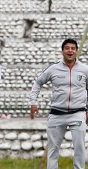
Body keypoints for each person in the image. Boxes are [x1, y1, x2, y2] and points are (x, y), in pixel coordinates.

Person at [30, 38, 88, 169]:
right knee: (53, 150)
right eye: (67, 48)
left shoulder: (84, 69)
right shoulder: (53, 68)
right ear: (62, 51)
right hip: (56, 114)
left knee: (79, 148)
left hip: (77, 114)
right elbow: (37, 83)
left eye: (73, 48)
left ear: (77, 51)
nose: (70, 51)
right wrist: (33, 102)